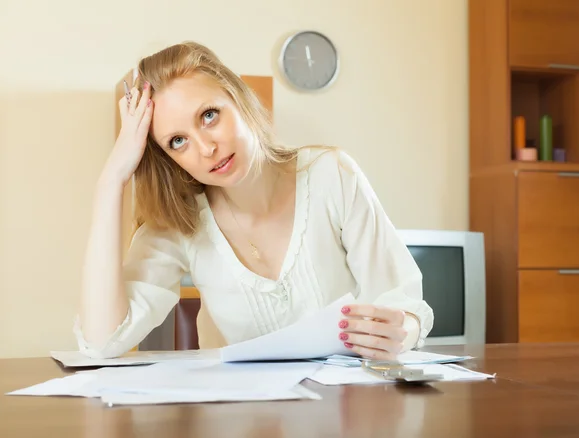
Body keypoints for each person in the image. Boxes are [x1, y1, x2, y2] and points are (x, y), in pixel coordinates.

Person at [75, 41, 434, 360]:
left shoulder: (331, 175)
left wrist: (407, 331)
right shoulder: (181, 222)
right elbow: (103, 342)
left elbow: (401, 301)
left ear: (239, 97)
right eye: (178, 142)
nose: (207, 148)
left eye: (209, 115)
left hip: (346, 415)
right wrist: (112, 180)